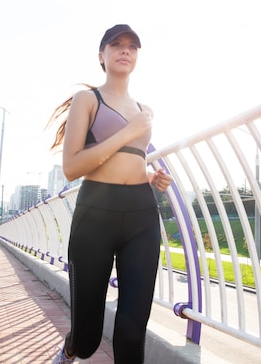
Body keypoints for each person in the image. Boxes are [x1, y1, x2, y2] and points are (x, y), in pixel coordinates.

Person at [47, 24, 172, 363]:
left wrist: (150, 175)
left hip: (141, 214)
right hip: (96, 212)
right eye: (116, 44)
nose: (125, 50)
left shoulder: (144, 109)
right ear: (101, 56)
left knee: (133, 328)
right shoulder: (88, 99)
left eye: (132, 46)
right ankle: (73, 346)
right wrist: (129, 131)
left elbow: (132, 158)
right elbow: (73, 167)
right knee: (88, 335)